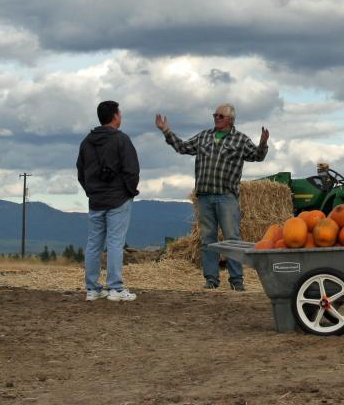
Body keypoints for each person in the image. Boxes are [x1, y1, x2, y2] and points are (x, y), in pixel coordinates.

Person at [155, 103, 268, 290]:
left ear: (230, 120)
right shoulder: (204, 136)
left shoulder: (240, 140)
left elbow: (257, 156)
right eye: (215, 115)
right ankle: (211, 280)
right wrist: (166, 131)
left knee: (232, 239)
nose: (216, 118)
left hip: (227, 197)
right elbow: (183, 147)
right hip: (205, 196)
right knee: (208, 240)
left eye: (220, 116)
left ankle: (236, 281)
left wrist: (263, 143)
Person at [77, 100, 141, 302]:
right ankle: (115, 288)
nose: (120, 116)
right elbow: (132, 169)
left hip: (96, 200)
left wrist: (91, 191)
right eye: (119, 113)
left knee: (93, 244)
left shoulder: (87, 141)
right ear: (115, 116)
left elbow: (80, 171)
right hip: (118, 199)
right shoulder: (121, 139)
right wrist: (128, 192)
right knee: (115, 243)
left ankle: (92, 289)